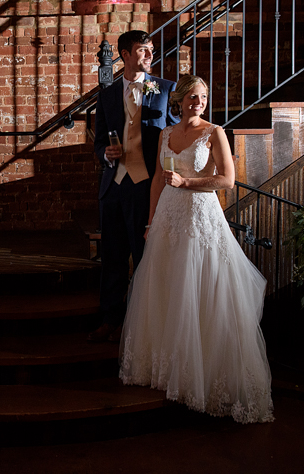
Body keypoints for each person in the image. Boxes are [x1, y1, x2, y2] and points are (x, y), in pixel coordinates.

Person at [119, 75, 274, 424]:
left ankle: (201, 377)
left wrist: (187, 182)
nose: (198, 102)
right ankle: (167, 369)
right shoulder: (165, 133)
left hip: (200, 215)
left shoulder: (214, 132)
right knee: (168, 290)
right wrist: (149, 221)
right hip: (168, 220)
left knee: (200, 290)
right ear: (179, 100)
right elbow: (158, 179)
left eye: (202, 97)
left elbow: (227, 180)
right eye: (192, 96)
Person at [90, 30, 179, 342]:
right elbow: (99, 141)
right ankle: (111, 319)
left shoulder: (167, 89)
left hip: (147, 189)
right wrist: (105, 153)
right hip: (113, 187)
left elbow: (177, 135)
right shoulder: (107, 95)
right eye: (143, 50)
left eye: (151, 50)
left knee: (146, 257)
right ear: (125, 55)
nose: (149, 56)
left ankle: (146, 325)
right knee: (113, 257)